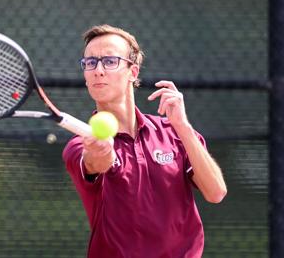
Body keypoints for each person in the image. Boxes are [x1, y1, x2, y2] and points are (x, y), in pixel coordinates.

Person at [62, 24, 227, 258]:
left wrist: (183, 126)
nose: (98, 70)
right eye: (90, 63)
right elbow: (95, 161)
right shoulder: (79, 146)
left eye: (109, 61)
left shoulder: (174, 133)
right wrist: (102, 150)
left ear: (133, 72)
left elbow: (216, 192)